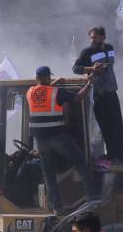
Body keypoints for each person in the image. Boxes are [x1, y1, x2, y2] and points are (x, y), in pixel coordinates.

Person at [26, 66, 95, 214]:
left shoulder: (30, 92)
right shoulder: (56, 92)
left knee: (48, 175)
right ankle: (92, 196)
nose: (50, 79)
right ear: (46, 77)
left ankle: (57, 208)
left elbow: (43, 93)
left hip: (41, 140)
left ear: (36, 77)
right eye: (49, 77)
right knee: (80, 161)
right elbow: (76, 98)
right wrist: (89, 84)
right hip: (57, 136)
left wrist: (55, 82)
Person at [72, 26, 123, 163]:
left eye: (95, 37)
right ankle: (111, 156)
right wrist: (91, 69)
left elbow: (109, 65)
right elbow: (75, 68)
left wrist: (102, 67)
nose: (93, 40)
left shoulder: (109, 48)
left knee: (117, 125)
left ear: (103, 37)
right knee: (106, 127)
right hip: (99, 94)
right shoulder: (87, 52)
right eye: (91, 38)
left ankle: (122, 155)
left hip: (111, 91)